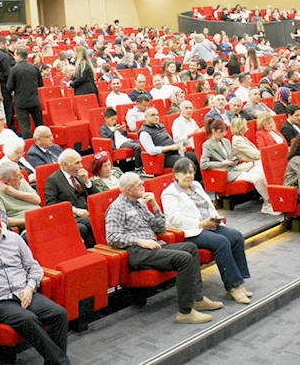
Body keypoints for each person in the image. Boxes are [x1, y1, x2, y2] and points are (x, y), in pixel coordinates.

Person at [0, 196, 71, 364]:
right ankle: (62, 363)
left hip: (24, 292)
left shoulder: (14, 239)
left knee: (59, 313)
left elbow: (34, 267)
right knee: (28, 319)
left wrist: (30, 288)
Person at [105, 172, 224, 323]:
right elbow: (112, 237)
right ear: (129, 189)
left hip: (154, 247)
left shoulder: (140, 204)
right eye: (139, 185)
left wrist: (154, 205)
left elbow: (160, 228)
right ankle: (185, 312)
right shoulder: (117, 208)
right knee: (184, 259)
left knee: (191, 248)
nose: (143, 187)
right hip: (136, 252)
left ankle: (197, 299)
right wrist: (139, 241)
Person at [162, 158, 252, 304]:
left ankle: (239, 282)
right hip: (191, 231)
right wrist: (201, 224)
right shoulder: (170, 193)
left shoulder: (196, 185)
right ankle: (233, 286)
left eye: (191, 172)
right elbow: (174, 220)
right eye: (184, 173)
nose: (188, 176)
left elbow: (208, 206)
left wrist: (215, 218)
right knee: (221, 242)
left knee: (236, 236)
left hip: (209, 223)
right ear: (175, 174)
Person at [201, 118, 278, 215]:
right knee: (256, 178)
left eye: (224, 131)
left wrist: (234, 159)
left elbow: (233, 155)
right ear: (214, 131)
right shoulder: (207, 145)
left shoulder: (225, 141)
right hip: (226, 173)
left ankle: (274, 199)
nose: (223, 134)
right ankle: (267, 203)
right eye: (221, 132)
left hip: (235, 168)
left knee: (263, 171)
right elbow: (204, 164)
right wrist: (222, 163)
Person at [44, 149, 98, 244]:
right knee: (91, 223)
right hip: (71, 216)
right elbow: (51, 205)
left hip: (88, 211)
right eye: (77, 163)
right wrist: (74, 210)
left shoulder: (78, 175)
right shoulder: (53, 180)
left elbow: (96, 197)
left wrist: (87, 182)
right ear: (65, 165)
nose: (81, 166)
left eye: (80, 162)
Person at [138, 107, 201, 177]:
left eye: (157, 115)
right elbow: (151, 150)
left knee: (197, 157)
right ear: (146, 117)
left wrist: (179, 147)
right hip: (164, 157)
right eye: (153, 115)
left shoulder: (161, 126)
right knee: (187, 163)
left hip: (175, 152)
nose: (156, 117)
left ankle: (199, 182)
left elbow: (170, 140)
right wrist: (171, 147)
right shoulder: (144, 132)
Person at [0, 161, 41, 229]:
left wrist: (14, 192)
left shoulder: (21, 181)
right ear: (8, 180)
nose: (22, 176)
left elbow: (37, 200)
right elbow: (3, 219)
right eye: (17, 175)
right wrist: (27, 221)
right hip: (27, 226)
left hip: (41, 217)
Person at [7, 47, 44, 139]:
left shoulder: (14, 69)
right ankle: (44, 141)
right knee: (40, 125)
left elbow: (9, 87)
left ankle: (28, 146)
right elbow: (41, 83)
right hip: (35, 100)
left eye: (15, 55)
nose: (14, 57)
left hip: (21, 102)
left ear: (19, 56)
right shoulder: (34, 67)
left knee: (25, 127)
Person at [0, 36, 15, 127]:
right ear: (1, 44)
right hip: (5, 86)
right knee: (8, 109)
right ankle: (9, 128)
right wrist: (12, 87)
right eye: (7, 45)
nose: (8, 47)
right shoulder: (4, 56)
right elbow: (8, 73)